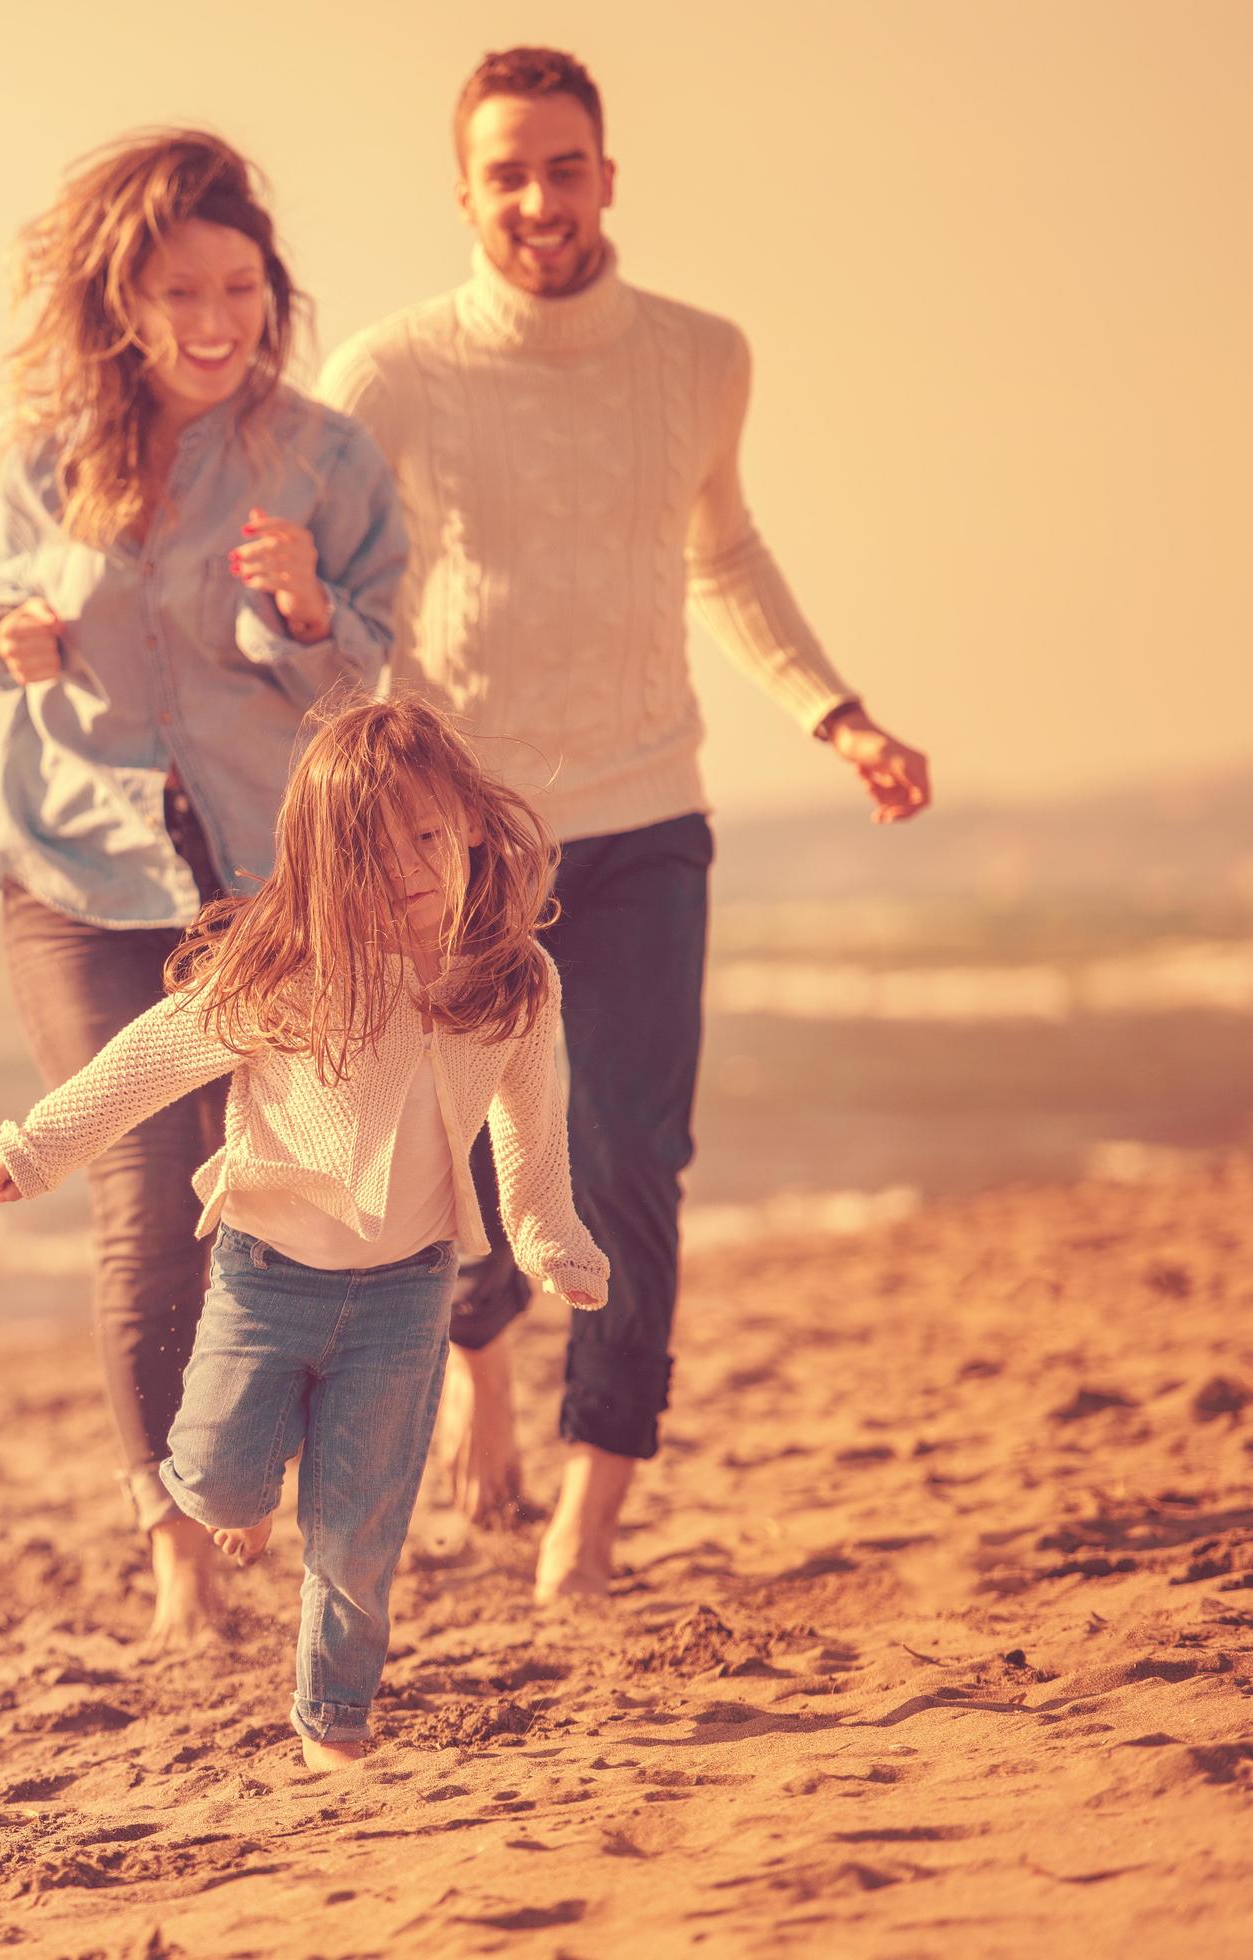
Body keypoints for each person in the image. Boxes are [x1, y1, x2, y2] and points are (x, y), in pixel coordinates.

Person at [315, 47, 935, 1602]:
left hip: (648, 807)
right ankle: (477, 1357)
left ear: (607, 174)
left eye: (563, 165)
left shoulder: (698, 358)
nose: (536, 198)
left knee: (630, 1155)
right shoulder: (385, 378)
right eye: (504, 172)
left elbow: (719, 556)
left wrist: (831, 711)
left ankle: (592, 1512)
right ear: (461, 192)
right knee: (441, 1142)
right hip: (457, 834)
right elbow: (342, 611)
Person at [0, 128, 408, 1649]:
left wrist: (293, 606)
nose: (214, 320)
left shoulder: (324, 460)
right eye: (178, 293)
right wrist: (4, 635)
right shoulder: (44, 452)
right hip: (69, 868)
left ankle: (246, 1473)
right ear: (119, 305)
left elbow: (364, 679)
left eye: (238, 288)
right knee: (141, 1186)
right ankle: (176, 1550)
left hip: (265, 883)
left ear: (270, 291)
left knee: (266, 1194)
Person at [0, 697, 607, 1769]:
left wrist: (546, 1238)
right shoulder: (285, 969)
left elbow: (526, 1124)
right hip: (266, 1278)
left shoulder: (509, 978)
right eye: (371, 848)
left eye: (426, 836)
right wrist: (37, 1147)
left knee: (359, 1536)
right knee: (217, 1479)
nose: (407, 867)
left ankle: (331, 1722)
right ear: (323, 862)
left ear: (464, 828)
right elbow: (152, 1055)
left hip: (405, 1293)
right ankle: (249, 1485)